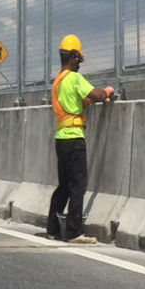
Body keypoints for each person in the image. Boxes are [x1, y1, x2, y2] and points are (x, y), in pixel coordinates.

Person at [46, 34, 114, 244]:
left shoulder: (57, 81)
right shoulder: (74, 78)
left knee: (64, 185)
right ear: (74, 57)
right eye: (79, 60)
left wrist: (83, 103)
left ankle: (53, 228)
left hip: (60, 139)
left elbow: (70, 106)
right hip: (75, 140)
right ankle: (74, 231)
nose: (79, 65)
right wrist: (107, 91)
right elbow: (97, 95)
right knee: (78, 184)